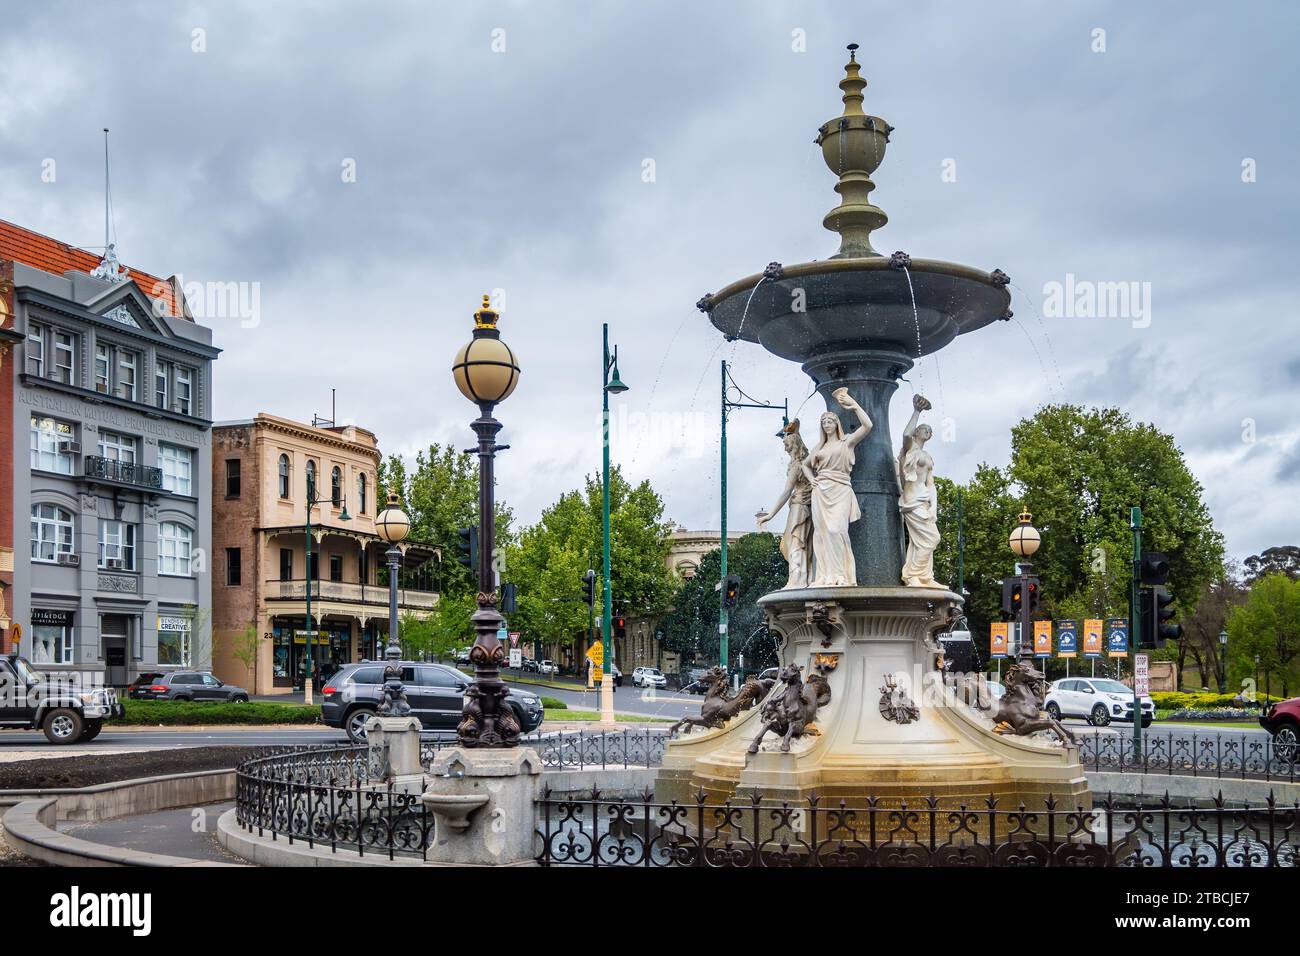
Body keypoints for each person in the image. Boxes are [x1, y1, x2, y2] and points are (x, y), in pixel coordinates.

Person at [802, 388, 872, 586]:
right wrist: (811, 480)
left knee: (836, 531)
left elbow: (867, 426)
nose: (827, 425)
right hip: (820, 491)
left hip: (840, 488)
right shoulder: (819, 447)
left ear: (836, 424)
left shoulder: (846, 442)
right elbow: (804, 465)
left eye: (830, 421)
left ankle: (841, 575)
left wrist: (854, 405)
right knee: (822, 534)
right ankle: (825, 576)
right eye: (824, 422)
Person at [757, 420, 813, 589]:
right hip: (805, 505)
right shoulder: (806, 463)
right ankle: (801, 578)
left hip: (799, 507)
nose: (785, 449)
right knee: (798, 542)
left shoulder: (797, 466)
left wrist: (771, 514)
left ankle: (797, 580)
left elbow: (786, 491)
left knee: (795, 542)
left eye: (787, 445)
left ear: (793, 446)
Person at [898, 393, 941, 587]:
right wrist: (916, 411)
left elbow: (931, 484)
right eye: (924, 428)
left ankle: (924, 577)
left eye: (930, 430)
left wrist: (934, 508)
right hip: (912, 499)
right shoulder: (909, 449)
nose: (928, 431)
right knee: (932, 538)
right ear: (917, 432)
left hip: (924, 500)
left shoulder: (927, 456)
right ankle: (913, 574)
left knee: (920, 540)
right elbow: (906, 434)